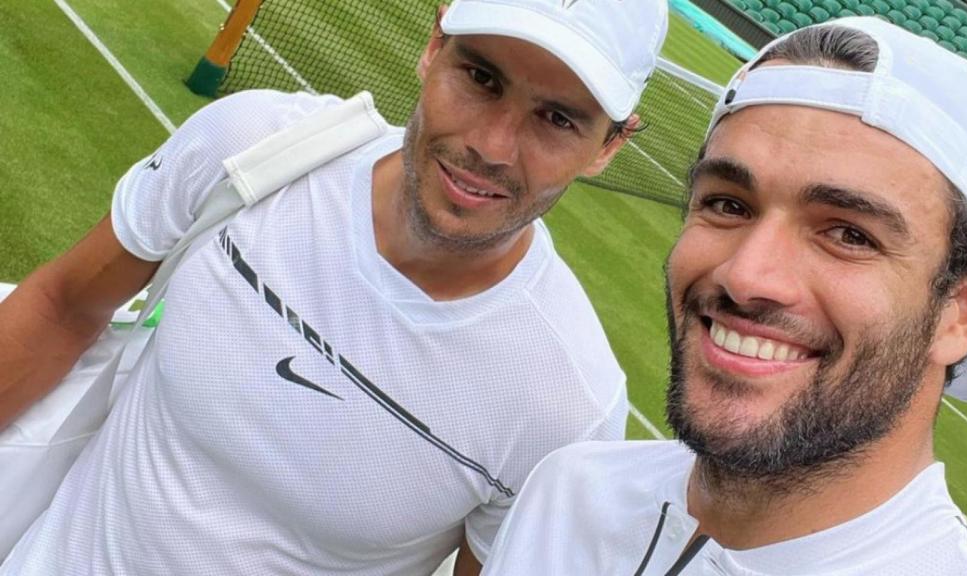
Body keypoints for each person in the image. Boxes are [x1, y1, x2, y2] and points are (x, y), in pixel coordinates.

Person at [0, 0, 668, 574]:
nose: (493, 146)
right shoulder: (252, 145)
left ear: (611, 144)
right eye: (482, 77)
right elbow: (63, 307)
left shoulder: (568, 406)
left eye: (558, 119)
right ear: (434, 46)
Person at [481, 16, 967, 576]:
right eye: (728, 205)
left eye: (849, 235)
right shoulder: (568, 493)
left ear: (964, 309)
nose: (747, 276)